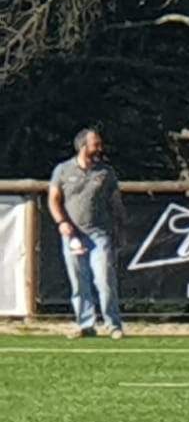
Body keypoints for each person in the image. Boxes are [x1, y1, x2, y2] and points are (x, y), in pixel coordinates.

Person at [46, 128, 127, 340]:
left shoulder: (106, 172)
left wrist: (120, 227)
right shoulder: (63, 170)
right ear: (83, 146)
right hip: (73, 235)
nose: (100, 148)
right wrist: (62, 222)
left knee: (104, 279)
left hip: (100, 234)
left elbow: (115, 203)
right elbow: (54, 199)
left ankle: (113, 324)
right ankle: (85, 323)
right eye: (95, 144)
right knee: (79, 280)